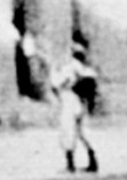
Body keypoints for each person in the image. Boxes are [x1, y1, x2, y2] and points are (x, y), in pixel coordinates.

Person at [50, 43, 99, 173]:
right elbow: (90, 75)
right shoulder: (73, 65)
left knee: (68, 131)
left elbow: (56, 84)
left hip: (69, 99)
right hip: (76, 100)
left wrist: (75, 85)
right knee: (82, 131)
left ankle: (71, 165)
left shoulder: (69, 65)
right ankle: (92, 161)